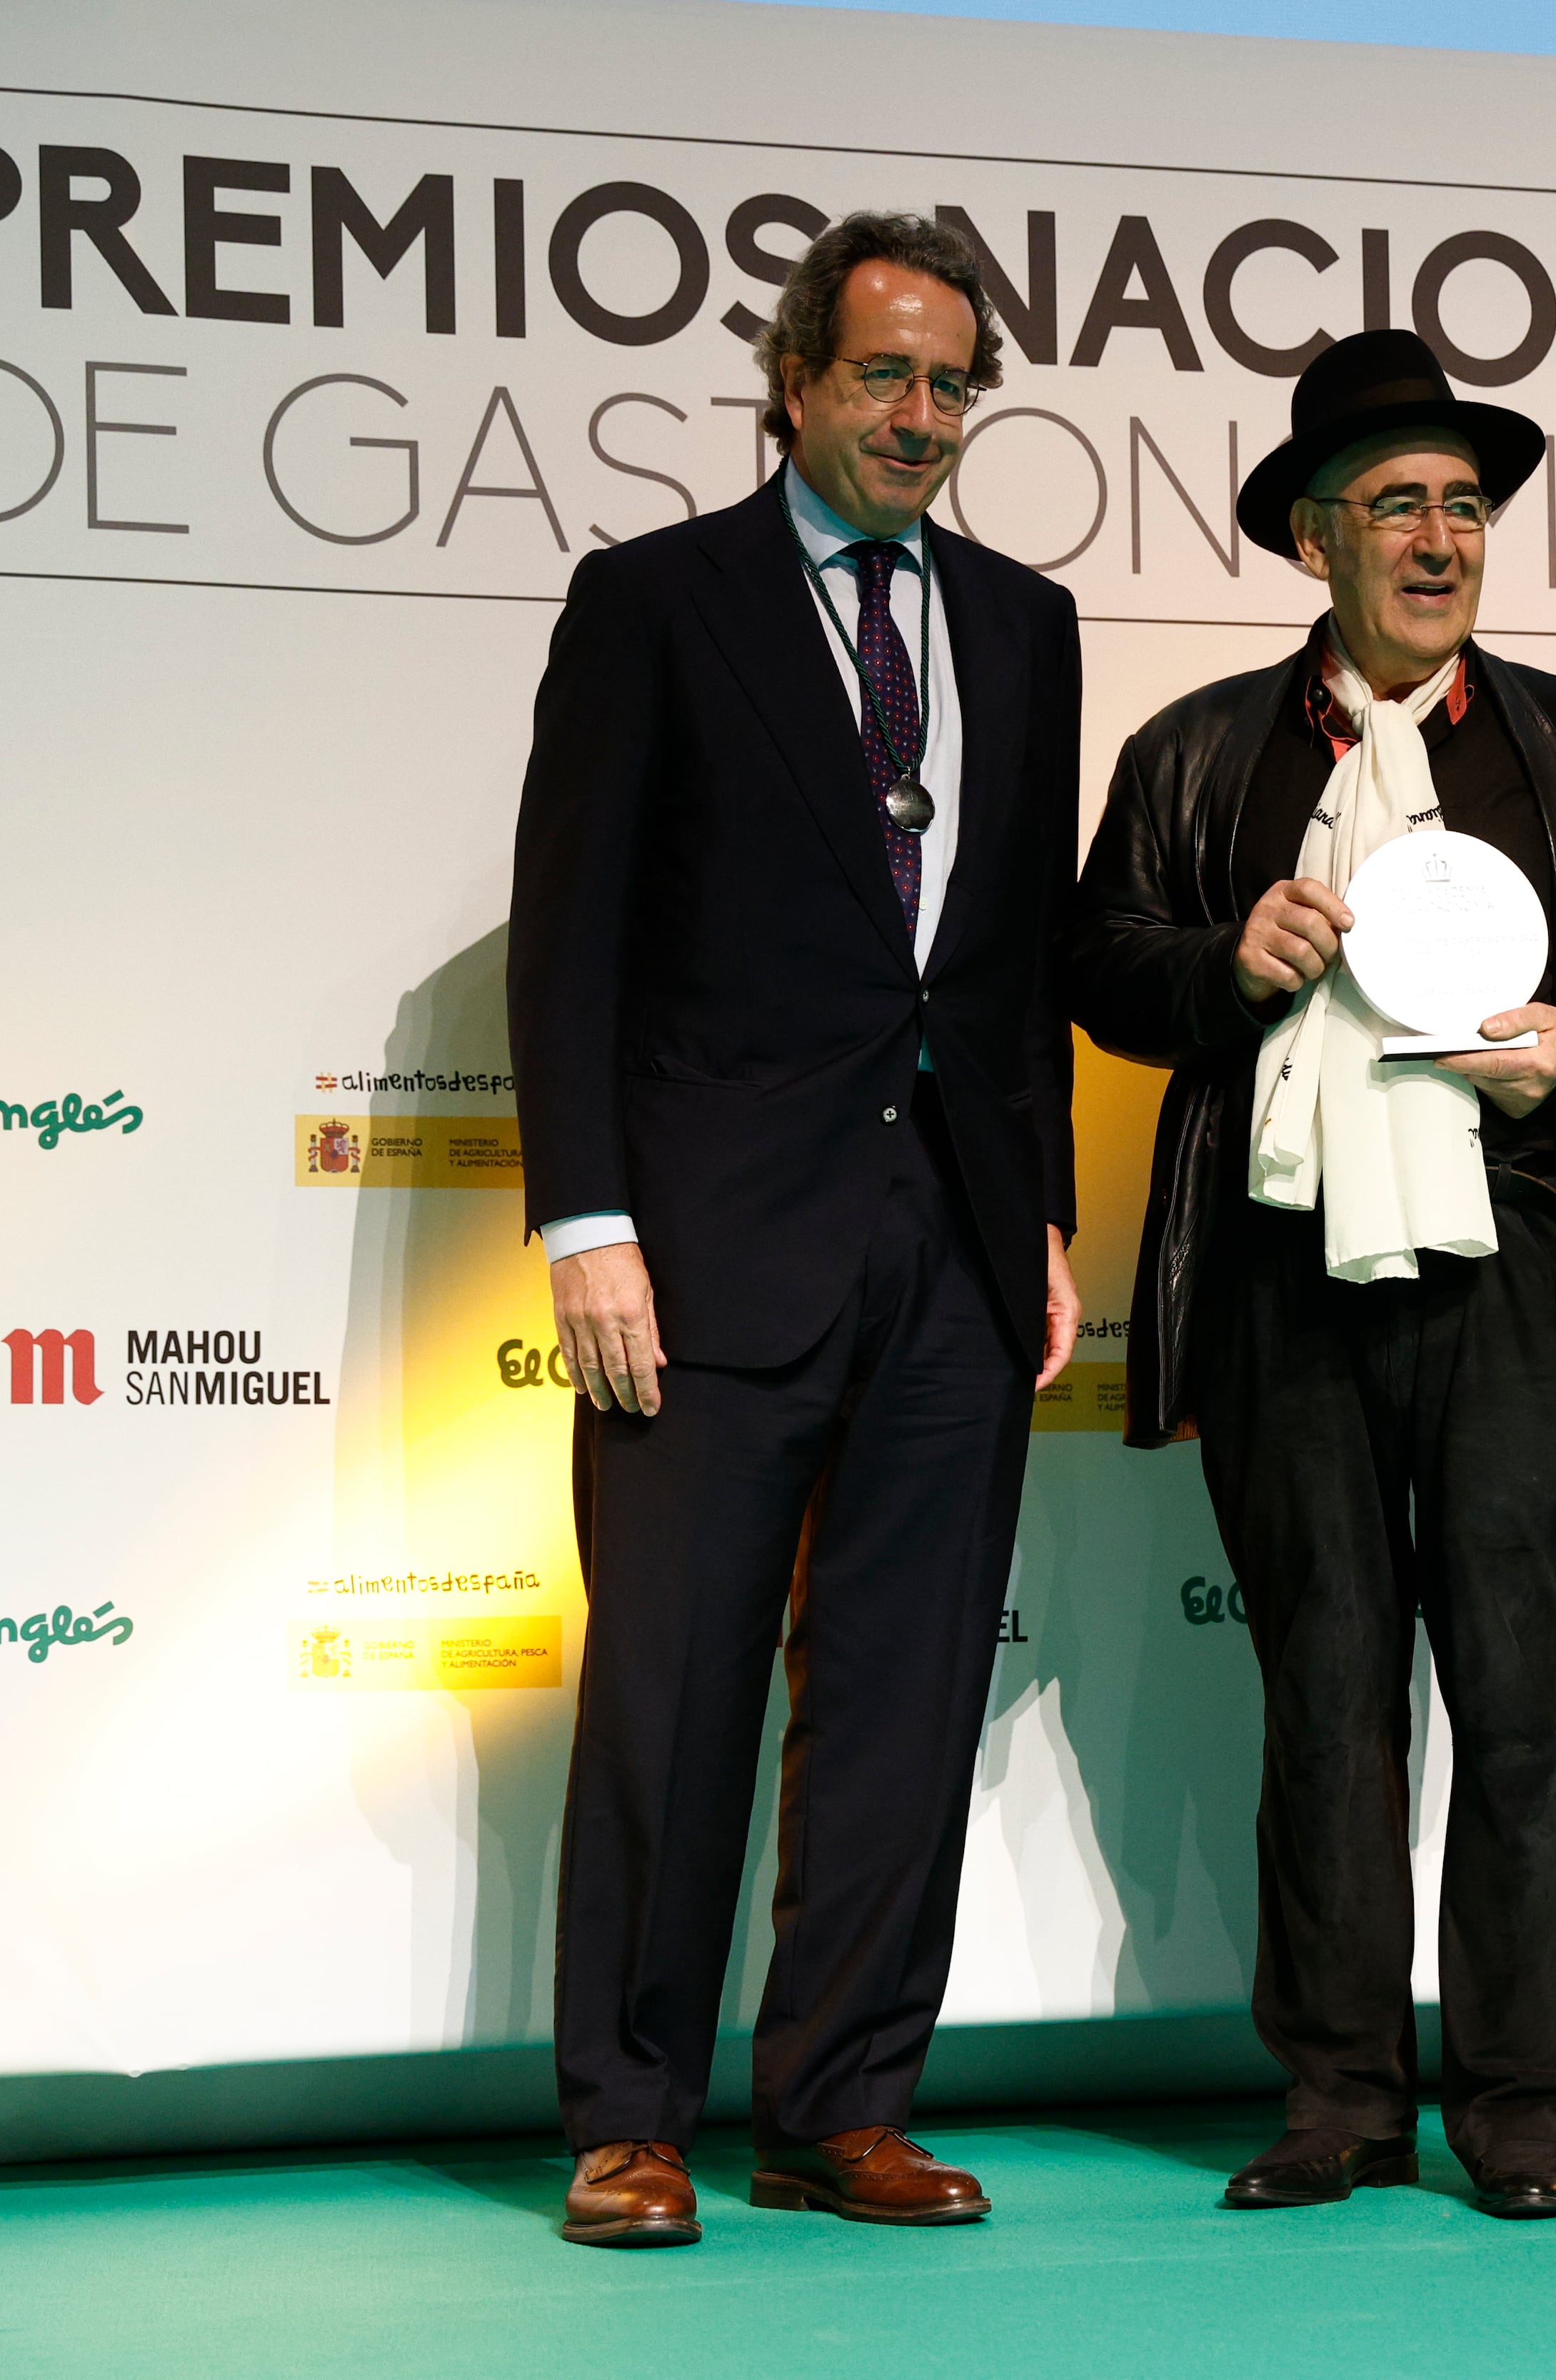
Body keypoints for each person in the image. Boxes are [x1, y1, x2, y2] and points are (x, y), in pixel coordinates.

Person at [1060, 328, 1556, 2221]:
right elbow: (1102, 965)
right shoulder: (1198, 751)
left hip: (1520, 1260)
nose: (1439, 536)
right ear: (1313, 538)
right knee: (1324, 1691)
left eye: (1463, 501)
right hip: (1287, 1269)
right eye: (1395, 504)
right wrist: (1225, 958)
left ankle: (1531, 2105)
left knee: (1531, 1693)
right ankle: (1342, 2097)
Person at [506, 211, 1085, 2246]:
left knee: (910, 1685)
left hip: (951, 1240)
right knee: (672, 1683)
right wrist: (587, 1215)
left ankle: (840, 2098)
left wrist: (1042, 1216)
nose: (923, 417)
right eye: (885, 377)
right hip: (708, 1236)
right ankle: (632, 2109)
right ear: (797, 382)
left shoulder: (1026, 624)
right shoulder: (657, 601)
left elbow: (1002, 963)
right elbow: (570, 936)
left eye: (954, 385)